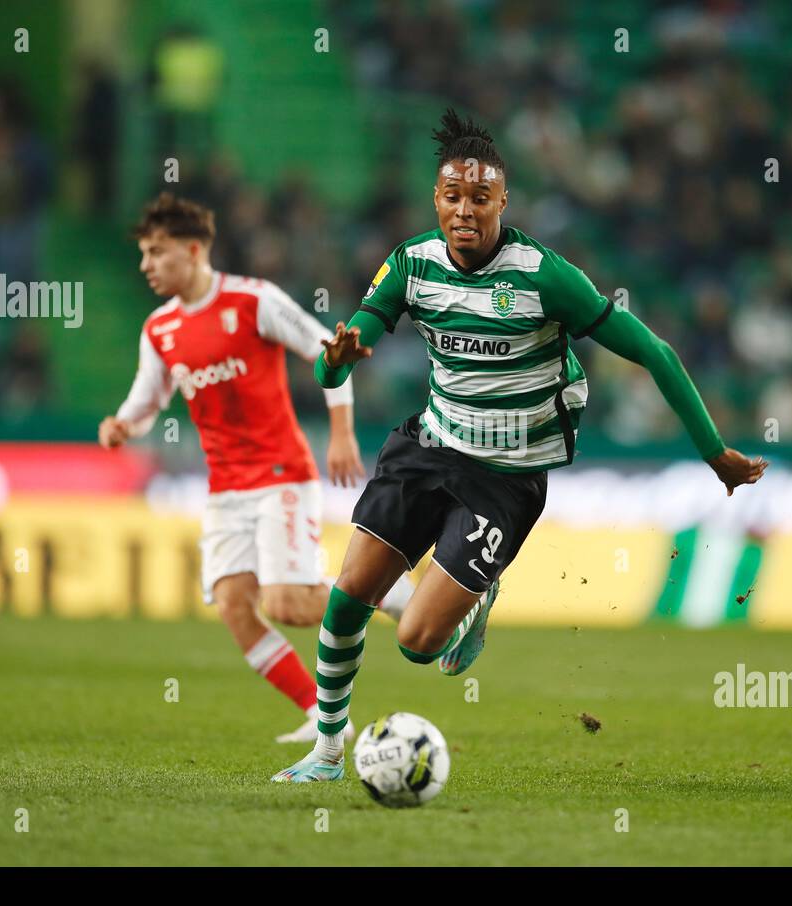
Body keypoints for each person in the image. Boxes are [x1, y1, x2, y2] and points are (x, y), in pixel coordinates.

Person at [274, 109, 766, 783]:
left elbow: (653, 351)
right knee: (348, 594)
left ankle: (474, 601)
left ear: (503, 202)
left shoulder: (543, 276)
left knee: (418, 644)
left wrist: (714, 453)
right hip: (431, 445)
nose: (465, 210)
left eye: (480, 197)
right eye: (453, 196)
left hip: (505, 477)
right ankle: (328, 753)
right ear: (436, 199)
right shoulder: (411, 265)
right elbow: (333, 364)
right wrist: (334, 362)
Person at [99, 193, 414, 743]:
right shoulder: (159, 329)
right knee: (234, 606)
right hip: (225, 487)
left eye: (156, 252)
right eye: (144, 254)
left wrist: (341, 431)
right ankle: (322, 715)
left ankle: (398, 595)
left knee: (288, 603)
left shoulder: (253, 300)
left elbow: (332, 350)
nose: (146, 264)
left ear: (193, 250)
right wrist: (124, 424)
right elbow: (147, 399)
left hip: (280, 475)